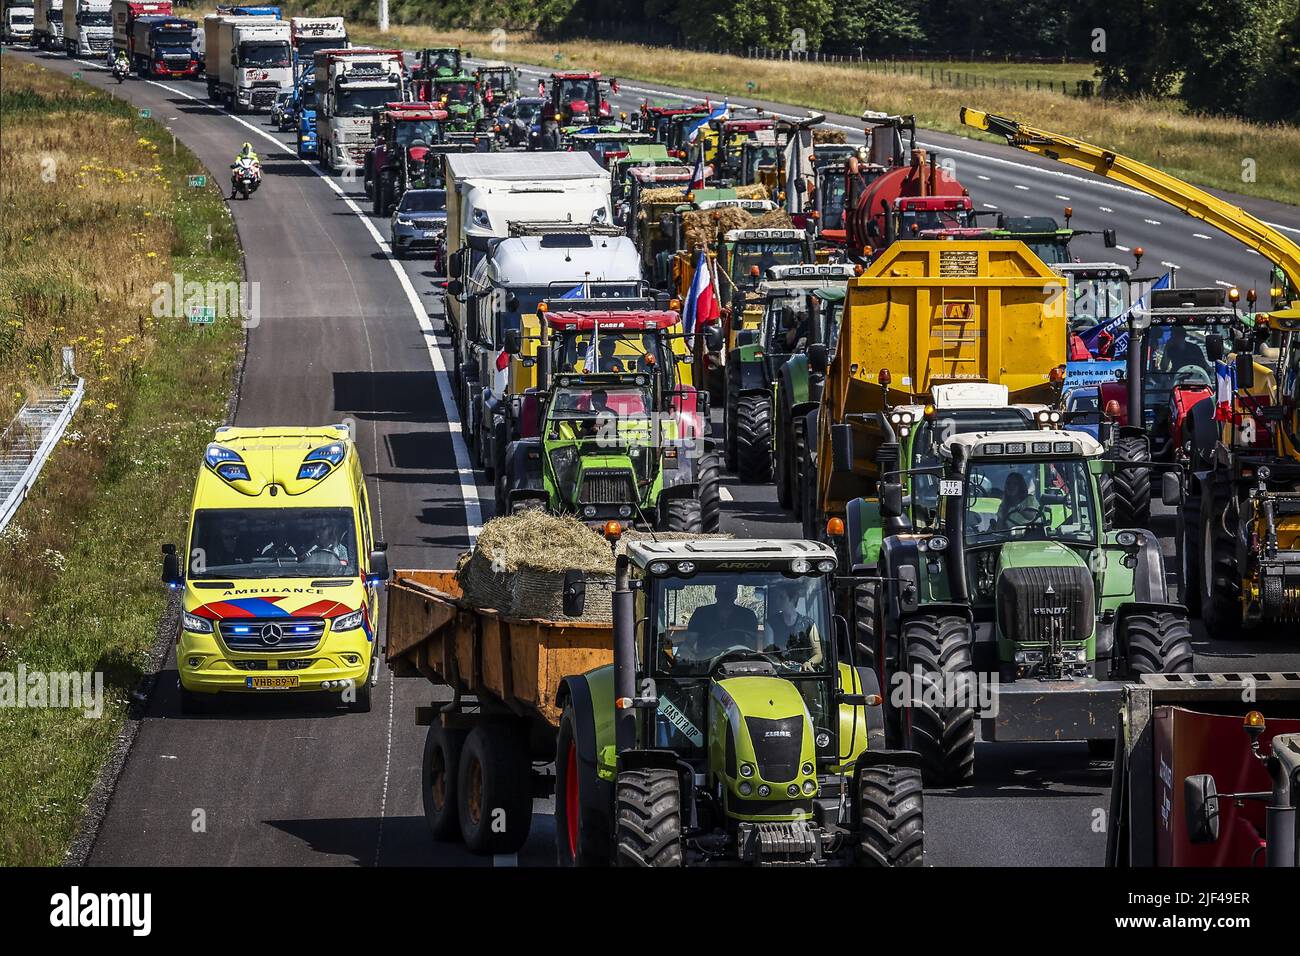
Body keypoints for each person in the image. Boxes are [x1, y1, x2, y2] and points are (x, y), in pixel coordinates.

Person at [684, 581, 759, 656]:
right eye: (722, 593)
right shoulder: (701, 613)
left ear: (735, 595)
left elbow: (751, 646)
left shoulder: (747, 615)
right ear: (716, 594)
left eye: (729, 593)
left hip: (738, 661)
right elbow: (689, 644)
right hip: (706, 661)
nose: (726, 597)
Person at [766, 585, 823, 671]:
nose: (777, 601)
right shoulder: (770, 623)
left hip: (803, 674)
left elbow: (818, 654)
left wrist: (809, 663)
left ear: (793, 599)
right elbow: (768, 654)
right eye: (777, 597)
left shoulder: (809, 624)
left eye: (781, 597)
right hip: (778, 673)